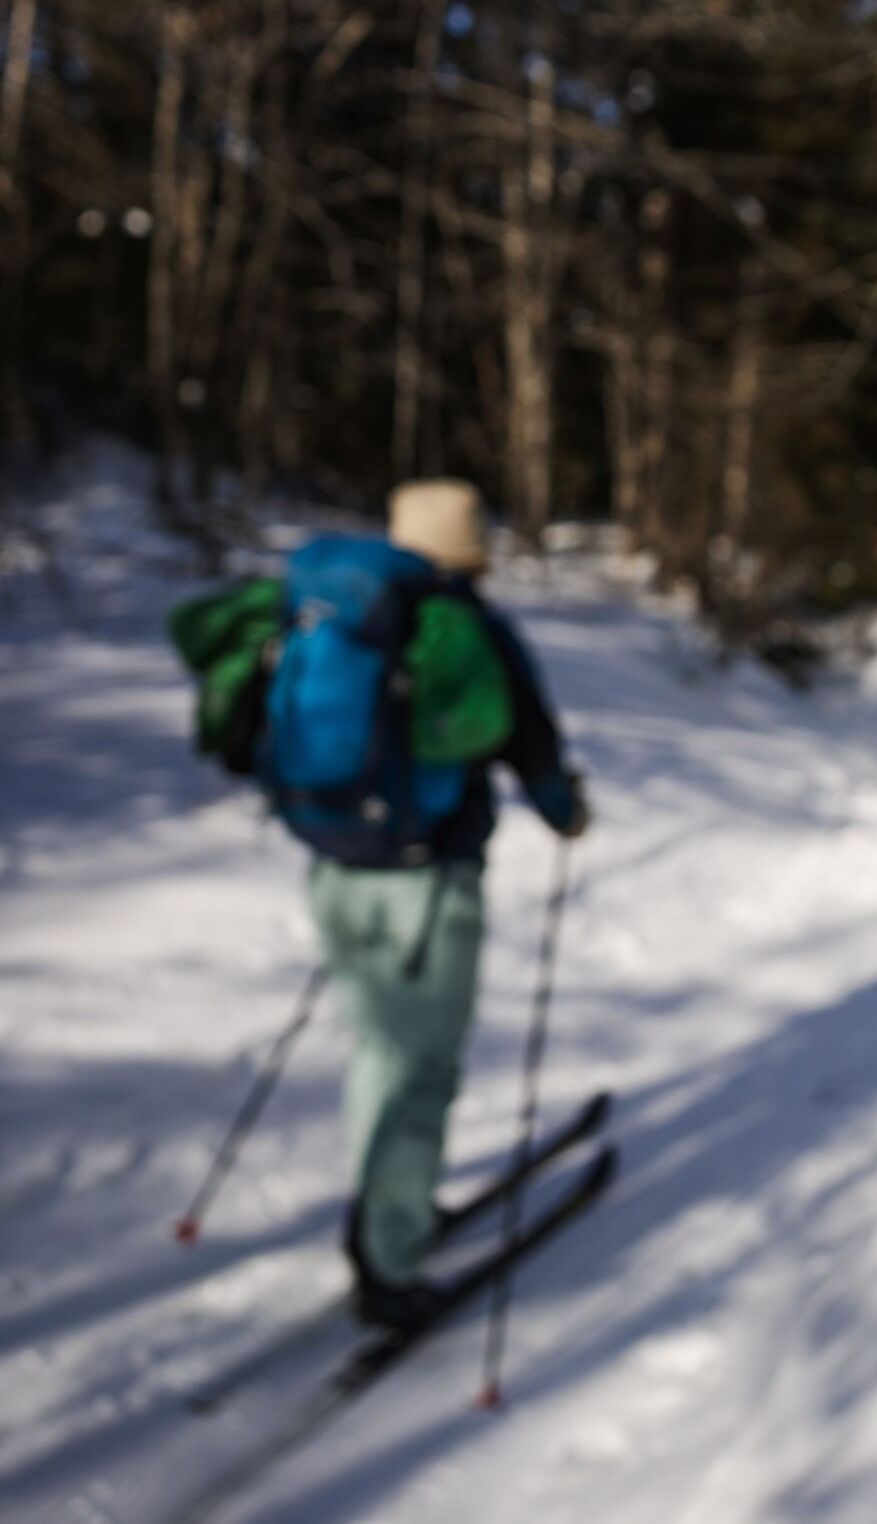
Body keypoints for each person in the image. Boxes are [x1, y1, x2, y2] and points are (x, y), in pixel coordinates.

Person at [311, 479, 587, 1328]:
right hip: (426, 884)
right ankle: (391, 1256)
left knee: (378, 1050)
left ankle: (384, 1208)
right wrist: (565, 812)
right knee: (419, 1066)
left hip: (332, 869)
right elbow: (532, 742)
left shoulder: (332, 612)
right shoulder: (466, 625)